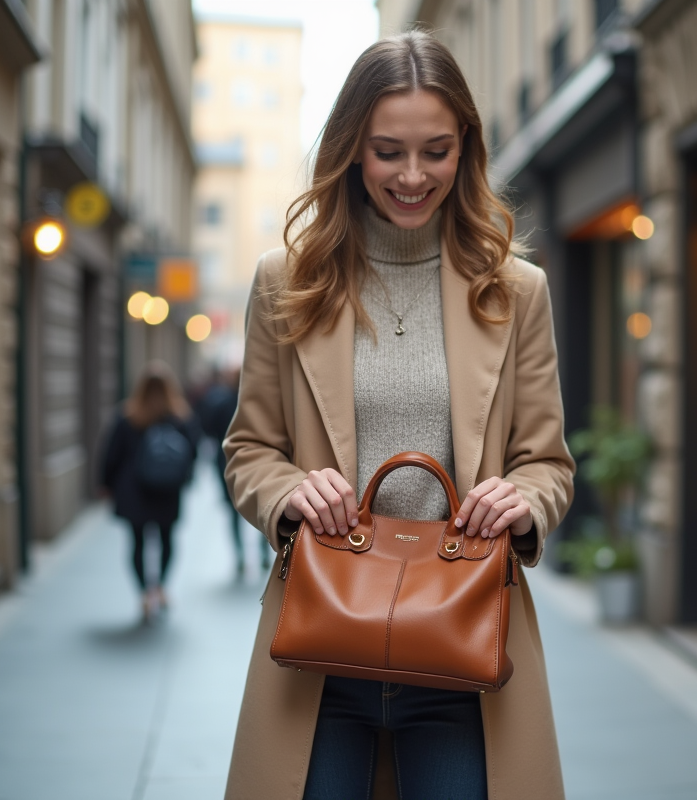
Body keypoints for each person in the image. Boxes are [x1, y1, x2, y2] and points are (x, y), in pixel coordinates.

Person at [221, 30, 575, 800]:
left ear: (465, 147)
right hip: (318, 642)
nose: (413, 176)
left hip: (464, 642)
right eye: (388, 152)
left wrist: (524, 500)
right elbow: (249, 448)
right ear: (353, 149)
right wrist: (286, 491)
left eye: (435, 151)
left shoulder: (517, 291)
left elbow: (547, 462)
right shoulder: (288, 281)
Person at [100, 361, 201, 622]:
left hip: (134, 490)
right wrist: (185, 479)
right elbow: (193, 452)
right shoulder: (180, 416)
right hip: (167, 490)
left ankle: (145, 593)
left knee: (137, 542)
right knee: (167, 540)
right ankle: (161, 587)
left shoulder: (128, 416)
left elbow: (111, 455)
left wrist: (106, 484)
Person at [197, 365, 267, 577]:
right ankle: (264, 553)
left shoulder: (222, 403)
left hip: (228, 463)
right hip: (259, 462)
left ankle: (240, 556)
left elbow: (207, 429)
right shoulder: (260, 403)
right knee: (263, 506)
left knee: (234, 511)